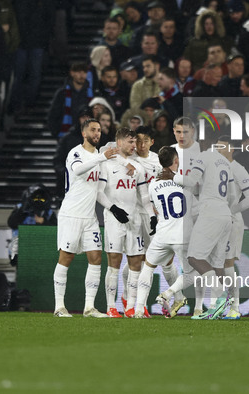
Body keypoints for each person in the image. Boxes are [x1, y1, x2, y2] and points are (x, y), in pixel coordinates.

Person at [160, 139, 236, 320]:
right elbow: (232, 195)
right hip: (225, 213)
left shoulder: (203, 156)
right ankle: (218, 307)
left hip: (210, 212)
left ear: (201, 144)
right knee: (218, 264)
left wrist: (172, 176)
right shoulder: (225, 162)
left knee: (194, 258)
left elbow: (192, 180)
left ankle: (222, 297)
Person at [52, 118, 118, 318]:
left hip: (89, 217)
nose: (97, 133)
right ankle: (59, 307)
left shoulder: (98, 157)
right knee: (66, 257)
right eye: (93, 130)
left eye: (99, 130)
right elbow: (77, 170)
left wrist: (113, 208)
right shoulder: (76, 153)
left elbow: (97, 191)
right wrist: (101, 158)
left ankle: (89, 307)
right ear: (84, 133)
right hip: (71, 214)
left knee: (96, 257)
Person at [97, 127, 156, 318]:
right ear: (119, 142)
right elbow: (99, 192)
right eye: (130, 142)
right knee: (114, 263)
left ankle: (130, 306)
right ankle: (111, 306)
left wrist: (152, 216)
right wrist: (113, 209)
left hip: (135, 219)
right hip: (114, 220)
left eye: (135, 142)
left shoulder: (137, 167)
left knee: (136, 262)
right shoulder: (107, 163)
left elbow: (144, 196)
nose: (134, 146)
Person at [136, 146, 191, 318]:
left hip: (162, 234)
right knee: (191, 273)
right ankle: (168, 294)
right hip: (182, 234)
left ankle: (138, 309)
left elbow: (154, 206)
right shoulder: (183, 180)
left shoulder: (153, 184)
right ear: (176, 161)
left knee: (148, 267)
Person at [215, 135, 249, 319]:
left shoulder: (238, 169)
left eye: (222, 147)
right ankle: (216, 306)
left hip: (232, 221)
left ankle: (235, 307)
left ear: (231, 149)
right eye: (216, 147)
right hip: (215, 220)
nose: (218, 150)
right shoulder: (214, 167)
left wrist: (232, 209)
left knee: (227, 264)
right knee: (215, 264)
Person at [7, 184, 57, 266]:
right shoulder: (20, 208)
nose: (38, 200)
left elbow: (55, 231)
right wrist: (23, 211)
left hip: (41, 251)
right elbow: (11, 223)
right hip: (20, 250)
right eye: (35, 198)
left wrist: (43, 222)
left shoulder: (48, 212)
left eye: (41, 198)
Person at [47, 62, 92, 138]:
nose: (82, 75)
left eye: (84, 72)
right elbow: (53, 115)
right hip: (66, 136)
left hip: (87, 137)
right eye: (78, 72)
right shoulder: (62, 93)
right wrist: (56, 133)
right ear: (72, 73)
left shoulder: (92, 93)